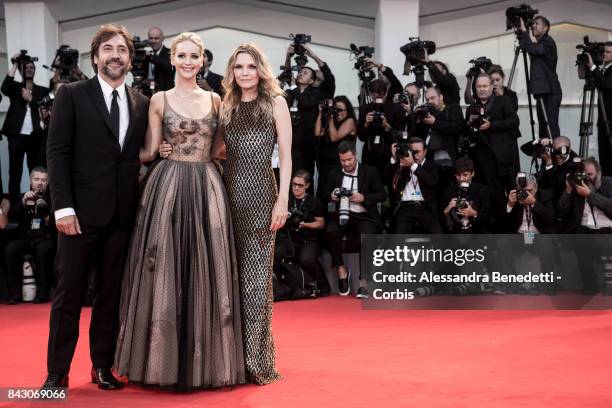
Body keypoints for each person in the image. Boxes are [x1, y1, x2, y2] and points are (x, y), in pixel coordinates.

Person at [114, 32, 245, 389]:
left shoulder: (217, 99)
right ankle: (161, 362)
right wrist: (108, 154)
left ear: (203, 61)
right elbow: (150, 150)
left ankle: (208, 364)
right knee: (165, 265)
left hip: (207, 186)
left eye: (194, 56)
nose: (188, 62)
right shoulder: (158, 99)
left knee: (209, 264)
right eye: (182, 55)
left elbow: (220, 148)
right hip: (168, 187)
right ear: (172, 59)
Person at [43, 24, 150, 391]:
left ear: (130, 59)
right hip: (78, 215)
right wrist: (62, 208)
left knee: (110, 297)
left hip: (122, 215)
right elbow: (57, 153)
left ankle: (101, 366)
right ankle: (57, 372)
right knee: (68, 294)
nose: (115, 54)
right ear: (96, 56)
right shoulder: (71, 95)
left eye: (122, 49)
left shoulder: (141, 102)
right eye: (108, 48)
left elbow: (137, 156)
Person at [217, 43, 291, 384]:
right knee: (230, 279)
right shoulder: (226, 106)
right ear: (232, 72)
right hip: (228, 199)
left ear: (261, 69)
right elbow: (215, 149)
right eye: (238, 67)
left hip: (263, 198)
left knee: (256, 282)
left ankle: (256, 361)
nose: (244, 72)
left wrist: (283, 201)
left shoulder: (276, 103)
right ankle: (232, 360)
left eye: (250, 66)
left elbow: (287, 158)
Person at [323, 141, 385, 298]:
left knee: (367, 237)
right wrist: (331, 196)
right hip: (341, 213)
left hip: (363, 214)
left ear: (355, 155)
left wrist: (363, 197)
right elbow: (323, 195)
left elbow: (381, 195)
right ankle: (341, 270)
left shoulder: (370, 171)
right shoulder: (334, 173)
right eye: (343, 160)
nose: (346, 163)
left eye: (349, 159)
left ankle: (364, 283)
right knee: (330, 231)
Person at [1, 54, 50, 203]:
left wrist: (31, 99)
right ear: (23, 70)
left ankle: (35, 203)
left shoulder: (42, 90)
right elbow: (4, 88)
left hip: (35, 137)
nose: (29, 70)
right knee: (15, 172)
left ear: (35, 71)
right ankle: (15, 205)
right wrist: (15, 64)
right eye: (26, 68)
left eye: (31, 68)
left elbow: (45, 109)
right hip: (16, 136)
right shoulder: (15, 88)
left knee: (35, 172)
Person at [4, 167, 56, 304]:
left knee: (43, 250)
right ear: (31, 181)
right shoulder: (25, 197)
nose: (40, 183)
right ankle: (14, 295)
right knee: (10, 249)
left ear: (48, 182)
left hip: (45, 238)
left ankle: (42, 294)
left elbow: (56, 225)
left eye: (44, 180)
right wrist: (22, 203)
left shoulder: (53, 198)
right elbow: (11, 216)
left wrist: (45, 215)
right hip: (26, 239)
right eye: (36, 179)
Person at [274, 170, 329, 297]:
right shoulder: (286, 200)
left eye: (300, 185)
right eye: (294, 184)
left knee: (306, 260)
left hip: (309, 239)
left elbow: (321, 223)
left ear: (307, 186)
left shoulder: (314, 202)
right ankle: (280, 286)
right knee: (276, 253)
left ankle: (322, 285)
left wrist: (305, 224)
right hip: (289, 238)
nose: (296, 188)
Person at [518, 16, 562, 139]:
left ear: (546, 27)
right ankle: (545, 156)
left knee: (550, 127)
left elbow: (534, 49)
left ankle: (555, 155)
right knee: (543, 128)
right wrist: (524, 35)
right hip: (542, 91)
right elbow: (532, 49)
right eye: (533, 24)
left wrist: (524, 31)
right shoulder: (538, 44)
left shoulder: (548, 41)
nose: (533, 26)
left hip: (551, 92)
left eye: (537, 23)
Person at [314, 95, 357, 201]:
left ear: (348, 110)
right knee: (323, 194)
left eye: (341, 110)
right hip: (325, 165)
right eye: (336, 109)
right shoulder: (331, 122)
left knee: (335, 194)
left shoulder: (350, 121)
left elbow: (334, 137)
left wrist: (331, 117)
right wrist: (321, 113)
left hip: (339, 165)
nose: (339, 112)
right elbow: (317, 133)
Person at [586, 42, 612, 175]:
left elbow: (607, 84)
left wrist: (593, 67)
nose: (604, 54)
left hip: (610, 120)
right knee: (604, 156)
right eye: (604, 51)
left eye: (608, 52)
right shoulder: (603, 69)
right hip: (603, 119)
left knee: (609, 155)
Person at [145, 27, 174, 92]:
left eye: (156, 38)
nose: (153, 41)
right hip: (147, 92)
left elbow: (168, 66)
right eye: (151, 38)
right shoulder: (146, 55)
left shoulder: (170, 53)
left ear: (163, 38)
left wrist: (151, 57)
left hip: (165, 92)